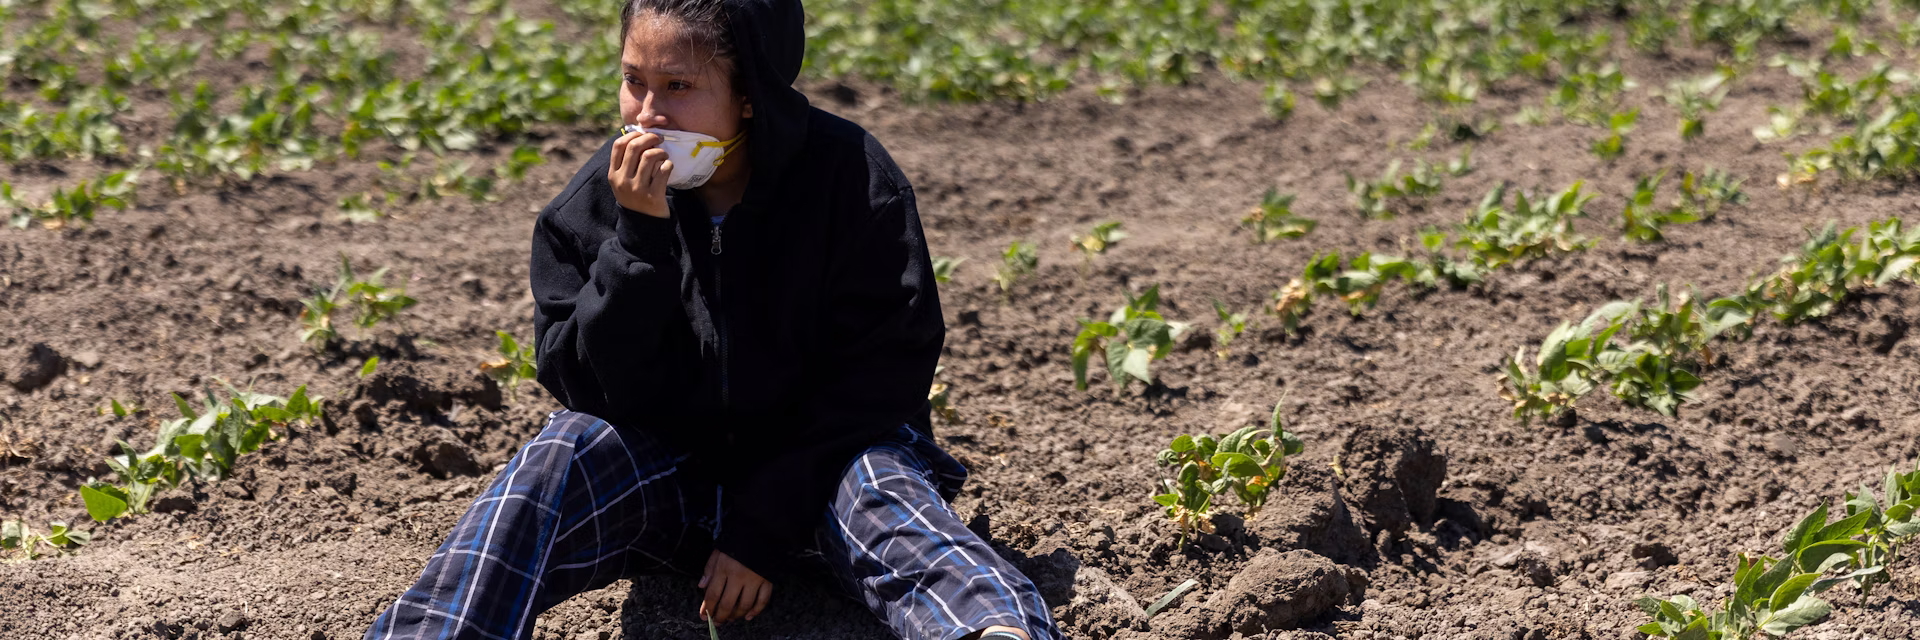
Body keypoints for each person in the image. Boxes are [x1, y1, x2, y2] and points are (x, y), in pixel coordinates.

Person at [360, 1, 1061, 639]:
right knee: (558, 455)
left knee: (883, 485)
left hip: (818, 481)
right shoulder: (593, 205)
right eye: (634, 81)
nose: (647, 114)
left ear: (750, 93)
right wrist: (640, 241)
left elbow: (882, 381)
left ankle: (992, 628)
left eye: (679, 87)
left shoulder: (848, 177)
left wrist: (762, 528)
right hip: (669, 491)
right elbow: (587, 387)